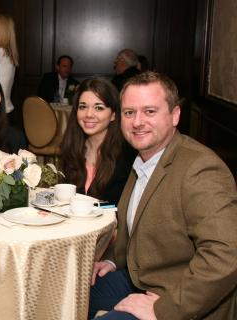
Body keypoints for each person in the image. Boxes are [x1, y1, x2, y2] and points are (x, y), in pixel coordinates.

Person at [90, 71, 237, 319]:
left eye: (149, 111)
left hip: (179, 294)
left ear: (175, 115)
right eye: (129, 112)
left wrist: (164, 310)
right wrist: (114, 260)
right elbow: (139, 227)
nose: (137, 122)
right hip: (140, 277)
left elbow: (226, 255)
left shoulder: (200, 169)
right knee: (72, 293)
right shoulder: (143, 158)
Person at [60, 78, 135, 205]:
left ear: (113, 115)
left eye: (99, 108)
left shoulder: (126, 156)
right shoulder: (72, 148)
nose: (89, 114)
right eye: (83, 107)